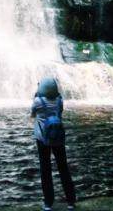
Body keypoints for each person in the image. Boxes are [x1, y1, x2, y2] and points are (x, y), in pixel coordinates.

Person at [31, 76, 76, 211]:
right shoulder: (59, 101)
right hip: (58, 138)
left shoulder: (38, 102)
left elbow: (32, 114)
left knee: (45, 170)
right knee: (63, 168)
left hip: (42, 139)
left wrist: (36, 93)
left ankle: (48, 203)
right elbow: (59, 112)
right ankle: (71, 201)